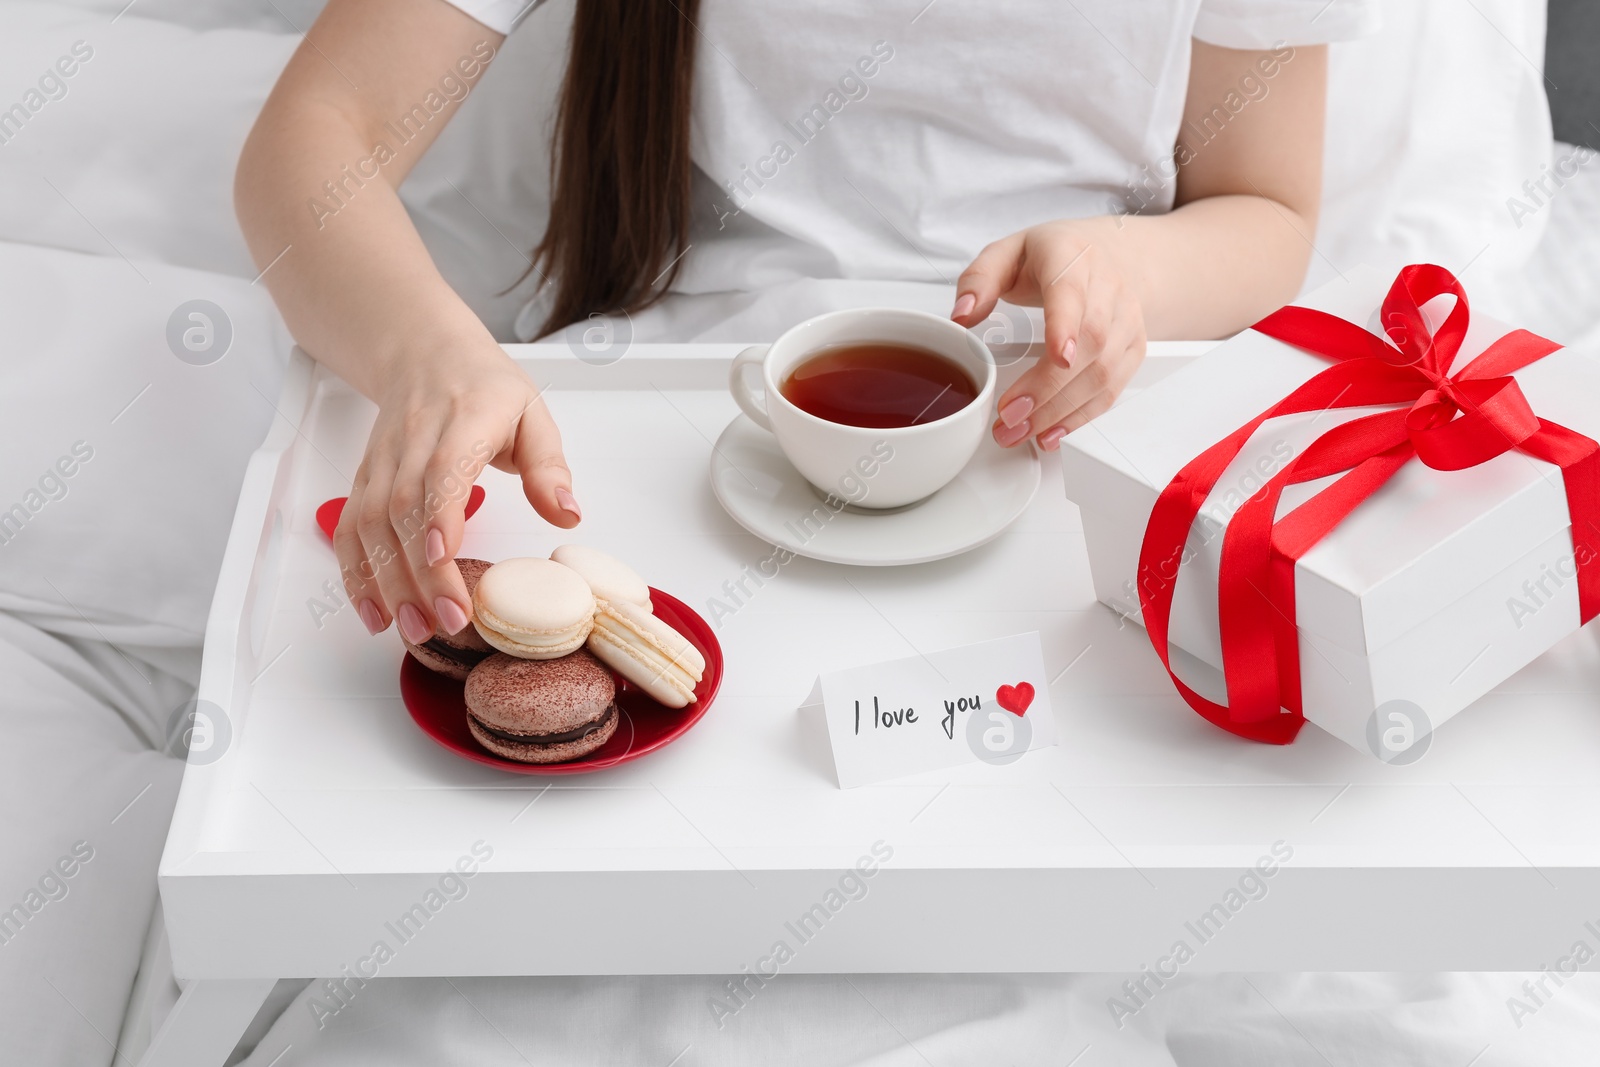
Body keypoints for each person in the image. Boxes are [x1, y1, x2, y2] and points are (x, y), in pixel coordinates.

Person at [236, 0, 1370, 651]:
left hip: (1066, 439)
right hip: (684, 423)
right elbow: (311, 145)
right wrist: (429, 354)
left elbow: (1266, 208)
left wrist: (1127, 266)